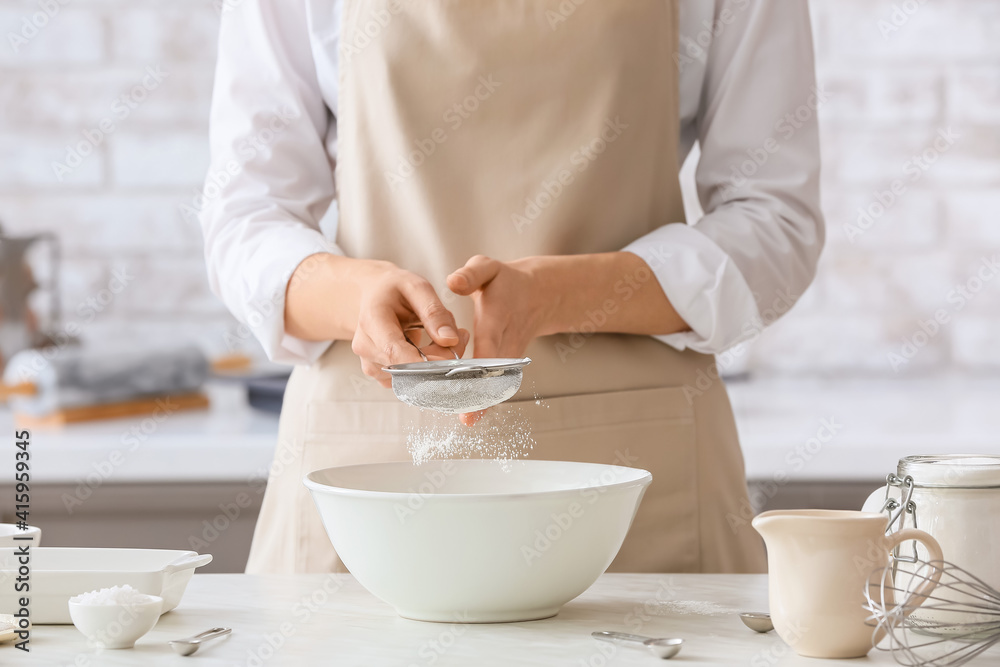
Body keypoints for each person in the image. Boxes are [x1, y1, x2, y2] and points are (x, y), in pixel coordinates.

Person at [200, 0, 823, 575]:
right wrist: (356, 297)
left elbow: (774, 219)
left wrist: (566, 293)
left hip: (639, 479)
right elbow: (248, 214)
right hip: (369, 482)